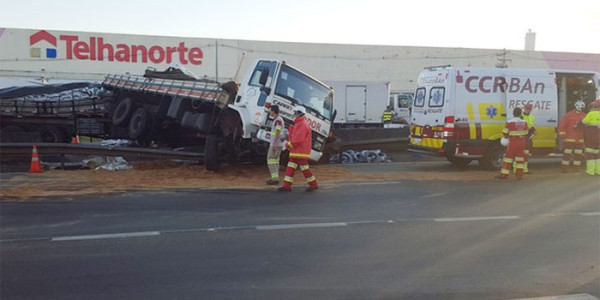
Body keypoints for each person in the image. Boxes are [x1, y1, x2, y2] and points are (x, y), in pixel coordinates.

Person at [278, 106, 318, 192]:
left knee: (304, 168)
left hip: (300, 152)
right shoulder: (300, 123)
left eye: (295, 113)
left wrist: (288, 145)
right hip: (298, 152)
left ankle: (313, 184)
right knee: (291, 168)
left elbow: (298, 140)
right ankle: (286, 186)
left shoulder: (302, 124)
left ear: (298, 113)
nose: (293, 114)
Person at [496, 107, 529, 180]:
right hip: (522, 143)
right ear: (520, 114)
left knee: (508, 159)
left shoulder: (510, 122)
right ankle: (519, 175)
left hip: (513, 143)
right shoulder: (525, 122)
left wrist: (506, 137)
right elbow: (526, 132)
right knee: (520, 160)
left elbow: (505, 132)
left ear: (513, 113)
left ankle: (504, 175)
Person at [558, 100, 586, 173]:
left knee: (578, 154)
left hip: (579, 139)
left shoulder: (584, 115)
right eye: (580, 108)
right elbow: (562, 125)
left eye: (582, 108)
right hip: (569, 138)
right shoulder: (569, 115)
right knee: (567, 154)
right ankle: (565, 169)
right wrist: (562, 134)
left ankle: (576, 169)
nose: (580, 110)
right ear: (576, 106)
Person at [266, 105, 285, 185]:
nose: (269, 112)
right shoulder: (278, 119)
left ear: (273, 111)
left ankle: (274, 178)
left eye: (270, 110)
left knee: (270, 159)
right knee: (276, 160)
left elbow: (277, 131)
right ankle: (275, 177)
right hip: (279, 144)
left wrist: (274, 143)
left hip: (276, 144)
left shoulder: (278, 120)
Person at [581, 99, 600, 176]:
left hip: (590, 139)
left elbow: (583, 122)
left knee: (589, 155)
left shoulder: (590, 114)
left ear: (591, 107)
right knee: (597, 156)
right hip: (598, 139)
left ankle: (590, 171)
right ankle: (598, 171)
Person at [520, 103, 536, 174]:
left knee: (526, 153)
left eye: (529, 109)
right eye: (527, 109)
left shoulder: (531, 117)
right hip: (522, 136)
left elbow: (531, 126)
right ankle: (520, 169)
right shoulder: (521, 116)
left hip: (528, 137)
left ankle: (525, 169)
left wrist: (534, 131)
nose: (528, 110)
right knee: (521, 153)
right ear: (524, 109)